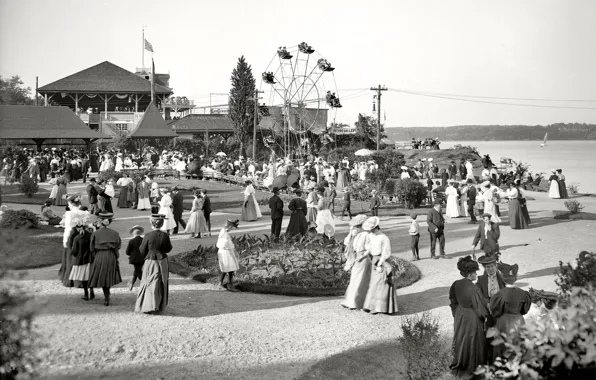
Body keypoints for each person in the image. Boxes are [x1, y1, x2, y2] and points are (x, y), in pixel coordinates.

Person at [449, 256, 489, 378]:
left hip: (460, 315)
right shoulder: (474, 288)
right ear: (469, 274)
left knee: (461, 339)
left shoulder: (455, 284)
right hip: (472, 317)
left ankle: (461, 364)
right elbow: (479, 309)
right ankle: (472, 367)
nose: (476, 275)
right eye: (475, 272)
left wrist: (456, 314)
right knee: (473, 341)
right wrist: (484, 317)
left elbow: (453, 300)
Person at [490, 263, 531, 361]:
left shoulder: (499, 295)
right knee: (518, 345)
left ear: (503, 278)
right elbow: (525, 310)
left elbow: (495, 312)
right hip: (519, 322)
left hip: (503, 322)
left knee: (502, 346)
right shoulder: (523, 293)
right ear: (516, 277)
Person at [134, 215, 173, 313]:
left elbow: (142, 250)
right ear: (162, 224)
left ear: (152, 223)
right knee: (162, 281)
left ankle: (149, 305)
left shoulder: (148, 235)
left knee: (149, 282)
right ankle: (159, 304)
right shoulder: (165, 235)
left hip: (151, 261)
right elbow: (168, 249)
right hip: (162, 261)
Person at [362, 217, 399, 315]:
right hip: (374, 259)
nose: (370, 230)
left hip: (382, 262)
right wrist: (364, 255)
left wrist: (380, 263)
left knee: (381, 284)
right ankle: (370, 305)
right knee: (373, 284)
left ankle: (379, 307)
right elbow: (369, 247)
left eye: (372, 229)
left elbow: (386, 252)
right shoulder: (371, 235)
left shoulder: (383, 237)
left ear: (376, 227)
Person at [88, 213, 122, 306]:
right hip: (111, 255)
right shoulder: (115, 233)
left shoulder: (95, 233)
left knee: (101, 275)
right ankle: (107, 296)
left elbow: (91, 248)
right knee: (109, 275)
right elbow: (118, 246)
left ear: (100, 221)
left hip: (99, 255)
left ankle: (105, 296)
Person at [476, 254, 506, 362]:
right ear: (485, 268)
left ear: (496, 266)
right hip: (488, 311)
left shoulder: (502, 278)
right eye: (487, 267)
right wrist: (486, 303)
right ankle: (490, 359)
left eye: (491, 266)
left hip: (501, 310)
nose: (490, 269)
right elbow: (478, 294)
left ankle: (502, 358)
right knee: (489, 334)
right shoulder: (481, 279)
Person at [341, 214, 371, 310]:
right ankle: (352, 301)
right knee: (356, 279)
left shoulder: (366, 235)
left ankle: (358, 301)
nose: (355, 229)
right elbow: (346, 243)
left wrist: (362, 255)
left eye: (357, 227)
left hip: (363, 258)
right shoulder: (356, 236)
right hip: (357, 257)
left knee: (361, 280)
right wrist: (351, 233)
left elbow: (369, 248)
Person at [58, 195, 88, 287]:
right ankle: (81, 279)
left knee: (70, 257)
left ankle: (70, 279)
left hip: (72, 235)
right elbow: (87, 225)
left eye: (68, 203)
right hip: (82, 235)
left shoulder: (69, 214)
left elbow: (68, 228)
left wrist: (65, 241)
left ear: (71, 203)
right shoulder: (85, 212)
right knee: (80, 256)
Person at [69, 217, 94, 300]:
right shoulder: (91, 235)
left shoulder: (77, 238)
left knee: (84, 278)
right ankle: (92, 291)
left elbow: (74, 251)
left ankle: (86, 294)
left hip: (81, 260)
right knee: (90, 276)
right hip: (91, 259)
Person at [216, 219, 241, 291]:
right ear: (229, 227)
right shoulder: (225, 235)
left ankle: (229, 283)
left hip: (224, 251)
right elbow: (226, 244)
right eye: (232, 227)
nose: (231, 229)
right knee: (227, 268)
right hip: (226, 252)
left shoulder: (223, 231)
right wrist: (233, 250)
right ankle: (224, 284)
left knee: (229, 269)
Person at [126, 225, 145, 290]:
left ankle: (145, 282)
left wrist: (131, 254)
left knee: (138, 271)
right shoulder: (144, 240)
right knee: (137, 270)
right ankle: (132, 283)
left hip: (134, 259)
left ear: (133, 233)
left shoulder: (131, 241)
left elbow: (127, 252)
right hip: (143, 258)